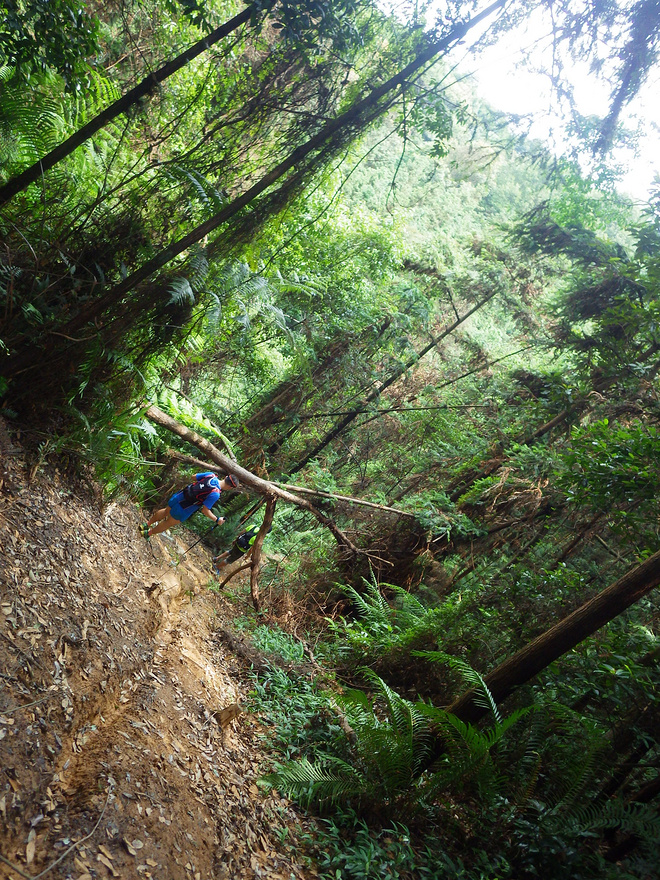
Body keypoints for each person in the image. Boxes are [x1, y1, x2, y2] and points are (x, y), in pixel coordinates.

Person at [140, 472, 239, 539]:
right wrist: (217, 519)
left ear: (226, 477)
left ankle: (146, 524)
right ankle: (147, 533)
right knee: (168, 523)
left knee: (166, 511)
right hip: (186, 508)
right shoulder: (215, 493)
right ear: (230, 487)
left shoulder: (211, 475)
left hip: (180, 495)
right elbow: (205, 510)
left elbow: (193, 476)